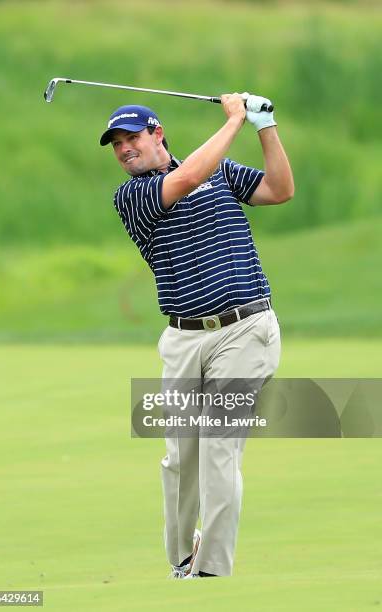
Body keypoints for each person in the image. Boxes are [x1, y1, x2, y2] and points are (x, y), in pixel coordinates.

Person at [100, 93, 294, 578]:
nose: (124, 149)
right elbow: (186, 179)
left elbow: (279, 189)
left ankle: (210, 571)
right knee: (181, 457)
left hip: (245, 330)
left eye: (132, 138)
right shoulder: (132, 197)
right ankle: (183, 557)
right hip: (184, 340)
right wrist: (235, 119)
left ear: (157, 134)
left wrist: (264, 126)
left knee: (218, 450)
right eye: (116, 144)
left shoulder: (222, 170)